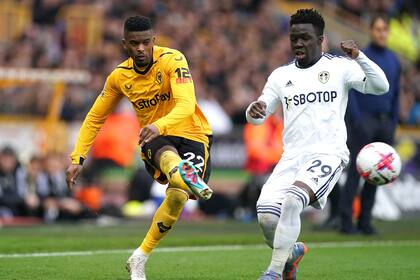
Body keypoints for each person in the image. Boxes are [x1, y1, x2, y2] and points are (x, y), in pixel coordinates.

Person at [65, 16, 213, 280]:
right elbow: (95, 117)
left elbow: (186, 104)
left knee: (178, 196)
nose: (141, 49)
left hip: (192, 135)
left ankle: (139, 257)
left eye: (146, 43)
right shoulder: (119, 77)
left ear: (154, 41)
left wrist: (160, 124)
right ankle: (182, 171)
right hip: (153, 138)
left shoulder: (173, 60)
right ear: (125, 44)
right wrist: (78, 156)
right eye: (135, 44)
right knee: (165, 154)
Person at [246, 9, 389, 280]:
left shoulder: (339, 67)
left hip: (328, 153)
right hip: (292, 158)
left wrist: (359, 56)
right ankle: (290, 256)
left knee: (292, 200)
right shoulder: (280, 76)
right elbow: (259, 113)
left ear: (321, 40)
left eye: (305, 38)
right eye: (294, 38)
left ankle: (273, 273)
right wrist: (253, 111)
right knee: (266, 217)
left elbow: (380, 86)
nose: (298, 43)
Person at [340, 15, 401, 235]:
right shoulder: (361, 57)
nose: (382, 33)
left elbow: (395, 93)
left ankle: (365, 222)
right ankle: (346, 222)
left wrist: (394, 122)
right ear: (371, 31)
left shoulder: (394, 60)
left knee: (377, 175)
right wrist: (357, 120)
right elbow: (352, 91)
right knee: (356, 173)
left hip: (385, 123)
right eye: (378, 29)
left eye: (385, 29)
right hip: (363, 121)